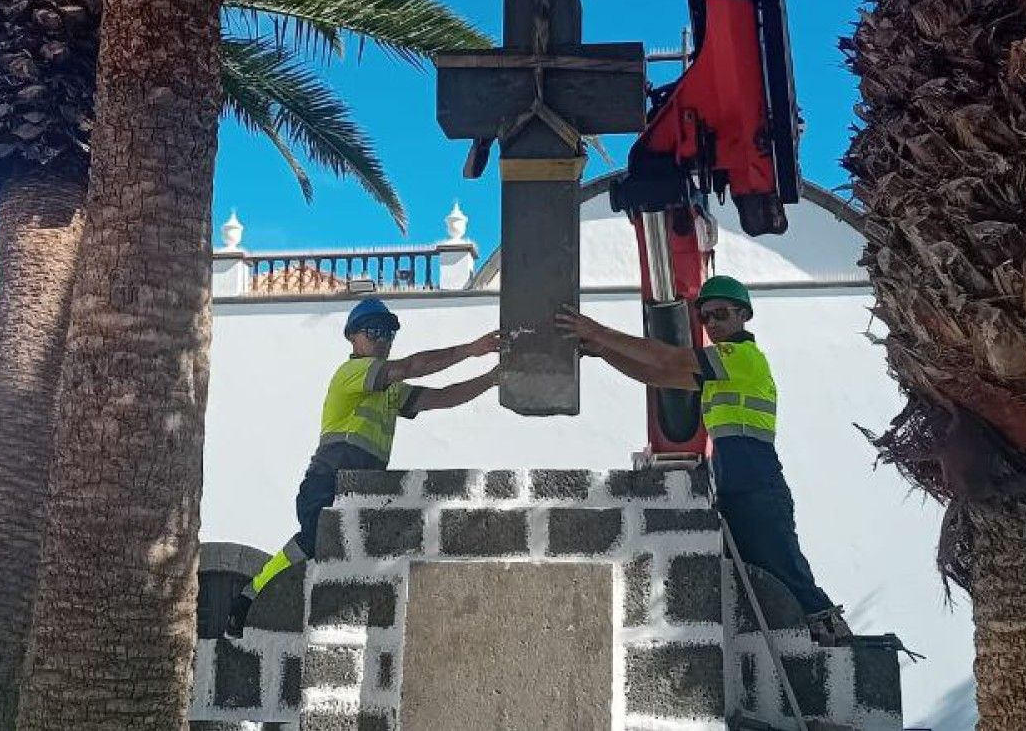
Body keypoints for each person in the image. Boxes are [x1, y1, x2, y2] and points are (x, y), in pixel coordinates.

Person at [555, 275, 851, 645]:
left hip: (758, 484)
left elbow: (667, 357)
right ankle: (792, 642)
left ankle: (831, 634)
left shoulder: (741, 357)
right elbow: (655, 374)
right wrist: (604, 352)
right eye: (705, 317)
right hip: (735, 486)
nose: (711, 324)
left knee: (784, 566)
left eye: (720, 314)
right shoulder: (717, 370)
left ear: (743, 315)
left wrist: (598, 331)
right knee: (750, 574)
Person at [226, 298, 499, 637]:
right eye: (373, 331)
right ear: (353, 337)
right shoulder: (352, 372)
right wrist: (472, 349)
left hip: (363, 489)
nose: (382, 338)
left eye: (388, 332)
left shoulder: (390, 392)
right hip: (327, 483)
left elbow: (441, 397)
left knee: (351, 558)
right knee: (312, 544)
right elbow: (410, 366)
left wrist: (492, 378)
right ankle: (251, 597)